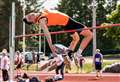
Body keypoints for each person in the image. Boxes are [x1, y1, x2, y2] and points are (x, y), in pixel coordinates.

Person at [23, 9, 93, 58]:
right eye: (29, 17)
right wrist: (52, 48)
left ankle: (69, 53)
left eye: (28, 14)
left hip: (66, 24)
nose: (30, 15)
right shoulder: (41, 20)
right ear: (33, 22)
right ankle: (78, 54)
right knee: (89, 35)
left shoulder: (41, 13)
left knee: (76, 39)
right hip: (69, 22)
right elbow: (47, 34)